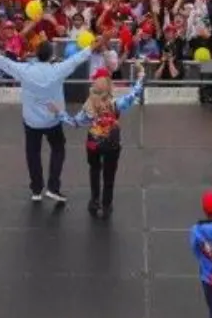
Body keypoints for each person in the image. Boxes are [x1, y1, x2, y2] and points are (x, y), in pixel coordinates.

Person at [0, 39, 95, 204]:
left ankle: (36, 189)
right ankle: (53, 187)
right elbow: (78, 58)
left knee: (33, 153)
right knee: (58, 149)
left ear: (36, 54)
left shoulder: (25, 70)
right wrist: (98, 43)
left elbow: (4, 63)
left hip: (32, 122)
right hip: (53, 120)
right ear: (51, 55)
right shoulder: (58, 70)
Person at [53, 64, 145, 218]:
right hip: (112, 143)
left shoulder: (88, 106)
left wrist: (59, 113)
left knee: (94, 170)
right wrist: (140, 76)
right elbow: (134, 93)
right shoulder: (116, 104)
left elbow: (75, 122)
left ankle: (95, 200)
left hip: (93, 143)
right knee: (109, 175)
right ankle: (107, 205)